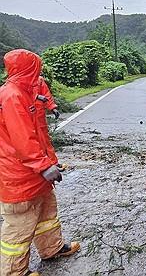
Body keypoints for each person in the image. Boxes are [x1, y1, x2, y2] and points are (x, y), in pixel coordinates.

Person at [0, 49, 80, 276]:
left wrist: (49, 162)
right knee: (18, 227)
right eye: (35, 68)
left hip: (35, 173)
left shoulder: (26, 92)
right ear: (27, 68)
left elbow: (39, 133)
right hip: (20, 176)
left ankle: (52, 248)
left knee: (46, 213)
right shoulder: (12, 95)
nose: (39, 72)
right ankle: (14, 273)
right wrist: (44, 166)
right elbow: (22, 138)